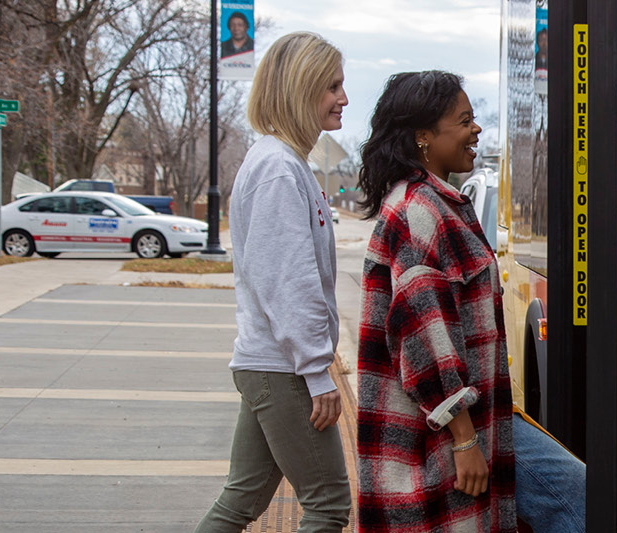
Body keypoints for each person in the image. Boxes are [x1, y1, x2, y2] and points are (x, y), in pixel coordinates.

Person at [196, 31, 351, 532]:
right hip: (283, 370)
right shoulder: (278, 169)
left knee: (239, 503)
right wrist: (315, 369)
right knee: (327, 506)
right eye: (331, 87)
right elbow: (288, 281)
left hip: (271, 364)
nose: (342, 99)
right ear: (299, 89)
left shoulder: (284, 163)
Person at [354, 70, 516, 531]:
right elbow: (424, 338)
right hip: (432, 445)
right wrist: (464, 441)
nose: (476, 130)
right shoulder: (420, 213)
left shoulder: (438, 205)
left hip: (448, 433)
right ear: (423, 137)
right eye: (464, 121)